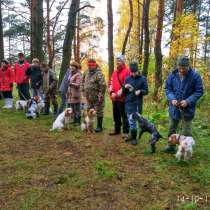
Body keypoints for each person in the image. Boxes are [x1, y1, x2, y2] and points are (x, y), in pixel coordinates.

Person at [163, 56, 204, 153]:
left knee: (186, 131)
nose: (181, 70)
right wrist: (172, 99)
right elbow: (168, 89)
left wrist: (188, 101)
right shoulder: (172, 75)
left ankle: (185, 151)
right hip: (174, 108)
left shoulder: (195, 76)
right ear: (177, 66)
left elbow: (199, 91)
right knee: (172, 128)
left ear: (188, 66)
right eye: (179, 67)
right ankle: (171, 147)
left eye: (184, 68)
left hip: (188, 109)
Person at [124, 62, 148, 145]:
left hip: (137, 103)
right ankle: (132, 135)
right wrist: (125, 87)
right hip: (128, 102)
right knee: (129, 120)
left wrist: (140, 91)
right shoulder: (127, 79)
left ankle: (134, 138)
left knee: (133, 120)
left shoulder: (142, 79)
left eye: (135, 72)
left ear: (138, 71)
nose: (133, 74)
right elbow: (124, 91)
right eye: (131, 72)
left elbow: (146, 91)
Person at [81, 59, 106, 132]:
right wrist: (83, 91)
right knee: (88, 110)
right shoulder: (86, 72)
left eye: (91, 65)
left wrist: (101, 95)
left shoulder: (99, 73)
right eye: (89, 65)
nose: (90, 66)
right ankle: (89, 125)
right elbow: (82, 82)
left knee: (99, 111)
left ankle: (99, 126)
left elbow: (103, 85)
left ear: (95, 65)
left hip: (97, 97)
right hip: (88, 97)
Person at [108, 55, 130, 138]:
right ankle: (117, 130)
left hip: (122, 99)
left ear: (123, 62)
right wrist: (111, 91)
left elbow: (126, 85)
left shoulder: (127, 71)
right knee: (116, 115)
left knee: (124, 116)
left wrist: (117, 94)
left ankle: (125, 132)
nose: (117, 62)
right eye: (116, 61)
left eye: (119, 61)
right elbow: (111, 82)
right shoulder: (114, 72)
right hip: (114, 98)